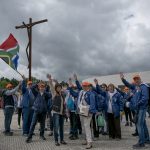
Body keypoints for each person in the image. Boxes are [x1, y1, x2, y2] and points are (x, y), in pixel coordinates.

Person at [120, 73, 150, 148]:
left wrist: (136, 104)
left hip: (142, 108)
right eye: (135, 79)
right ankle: (147, 139)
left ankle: (141, 143)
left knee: (139, 125)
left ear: (140, 79)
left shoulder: (143, 86)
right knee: (143, 125)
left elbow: (145, 98)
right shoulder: (136, 87)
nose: (136, 80)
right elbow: (128, 85)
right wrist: (123, 79)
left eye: (137, 78)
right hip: (139, 109)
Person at [69, 74, 98, 149]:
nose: (84, 87)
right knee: (83, 126)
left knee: (87, 126)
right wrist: (70, 87)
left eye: (86, 86)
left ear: (88, 86)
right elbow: (74, 93)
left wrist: (90, 112)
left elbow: (92, 104)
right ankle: (86, 139)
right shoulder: (81, 92)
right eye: (83, 86)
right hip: (81, 110)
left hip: (87, 111)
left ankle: (89, 142)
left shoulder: (91, 93)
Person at [47, 74, 67, 146]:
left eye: (60, 87)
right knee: (56, 127)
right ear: (56, 88)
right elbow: (51, 86)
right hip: (56, 113)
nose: (59, 88)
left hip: (61, 113)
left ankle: (61, 140)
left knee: (61, 127)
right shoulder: (54, 93)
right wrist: (50, 79)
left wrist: (57, 82)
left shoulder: (62, 94)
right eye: (58, 87)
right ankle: (56, 141)